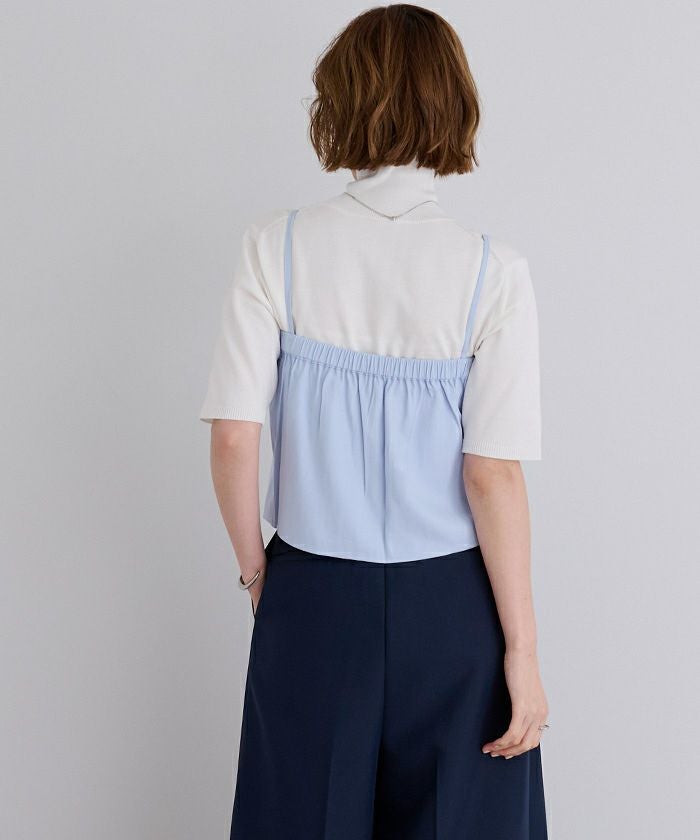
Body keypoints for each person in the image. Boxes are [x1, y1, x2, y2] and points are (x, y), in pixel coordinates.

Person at [199, 4, 549, 838]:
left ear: (340, 102)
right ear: (453, 103)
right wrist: (522, 653)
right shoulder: (493, 272)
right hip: (453, 609)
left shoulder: (274, 247)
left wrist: (259, 577)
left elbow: (234, 435)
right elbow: (492, 475)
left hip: (313, 595)